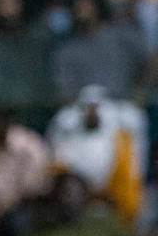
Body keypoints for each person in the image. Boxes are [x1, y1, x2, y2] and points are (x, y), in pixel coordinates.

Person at [46, 85, 148, 224]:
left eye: (96, 107)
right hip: (79, 199)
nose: (92, 112)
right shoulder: (68, 130)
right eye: (88, 107)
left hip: (112, 199)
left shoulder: (119, 136)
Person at [51, 0, 146, 102]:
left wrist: (139, 93)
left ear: (97, 4)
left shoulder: (123, 37)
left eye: (85, 1)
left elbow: (149, 63)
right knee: (65, 119)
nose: (80, 7)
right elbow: (64, 91)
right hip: (81, 110)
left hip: (122, 106)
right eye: (76, 3)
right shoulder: (66, 49)